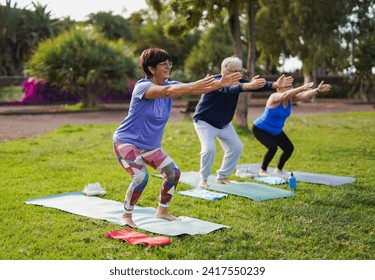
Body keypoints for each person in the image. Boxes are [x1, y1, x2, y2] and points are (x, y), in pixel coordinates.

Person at [113, 48, 243, 227]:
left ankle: (162, 211)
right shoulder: (142, 87)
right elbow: (169, 91)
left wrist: (221, 83)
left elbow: (196, 88)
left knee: (173, 174)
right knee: (141, 177)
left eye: (169, 63)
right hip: (126, 142)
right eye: (163, 64)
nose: (168, 67)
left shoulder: (171, 83)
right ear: (151, 69)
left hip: (150, 146)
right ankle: (127, 216)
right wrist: (197, 85)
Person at [193, 56, 294, 188]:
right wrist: (247, 85)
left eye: (239, 71)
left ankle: (222, 176)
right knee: (209, 149)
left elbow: (254, 87)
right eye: (234, 71)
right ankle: (204, 179)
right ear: (224, 70)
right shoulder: (215, 81)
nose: (238, 74)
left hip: (223, 123)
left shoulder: (238, 80)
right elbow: (232, 89)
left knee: (236, 147)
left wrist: (275, 85)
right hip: (205, 121)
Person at [252, 80, 332, 177]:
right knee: (272, 147)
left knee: (289, 148)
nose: (291, 88)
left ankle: (279, 169)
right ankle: (263, 170)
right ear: (279, 88)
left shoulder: (290, 99)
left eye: (291, 86)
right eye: (287, 86)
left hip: (276, 130)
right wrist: (302, 87)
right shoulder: (274, 97)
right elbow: (285, 95)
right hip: (260, 128)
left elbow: (305, 95)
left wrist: (318, 90)